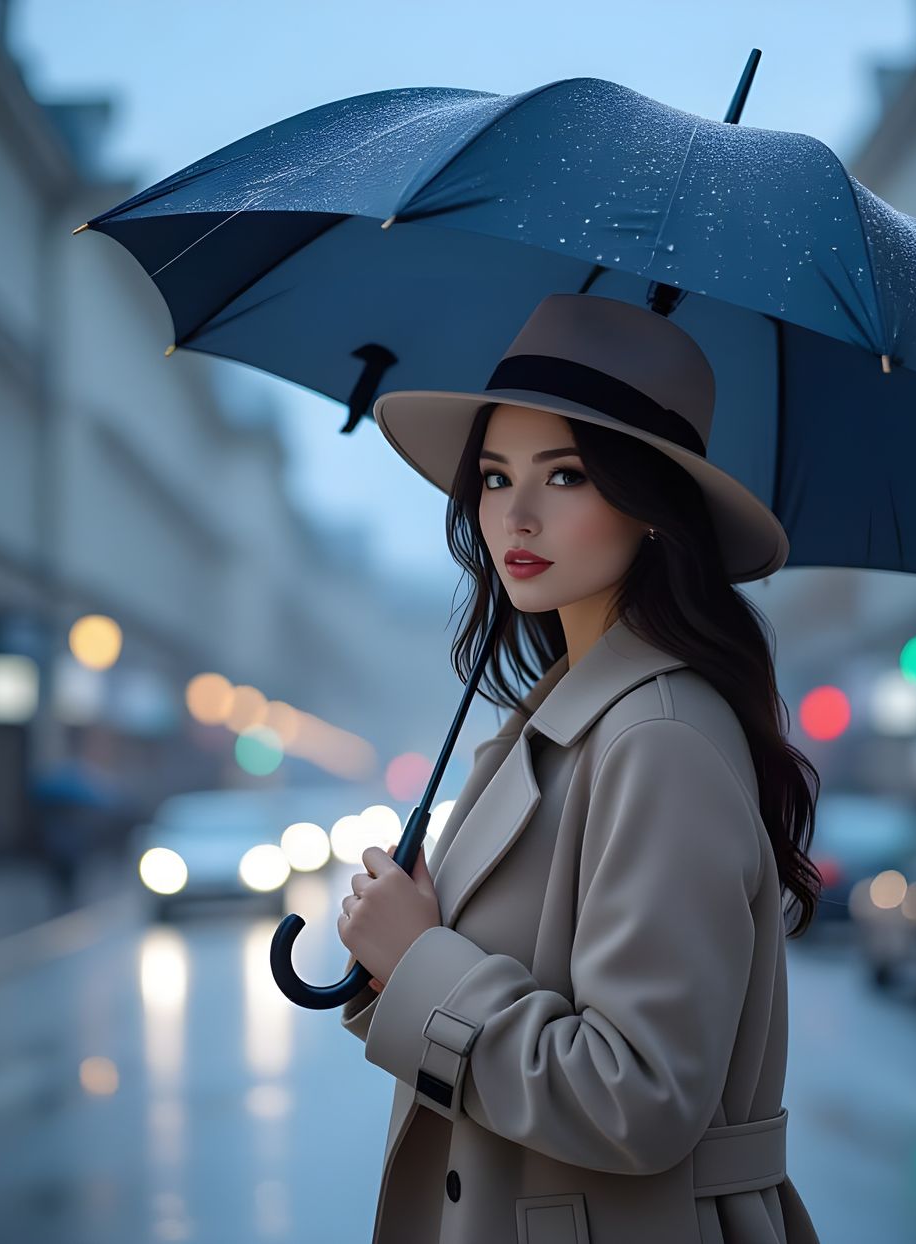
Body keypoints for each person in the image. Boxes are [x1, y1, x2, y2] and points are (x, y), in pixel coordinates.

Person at [335, 294, 822, 1243]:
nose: (514, 516)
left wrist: (420, 960)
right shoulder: (561, 721)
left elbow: (638, 1097)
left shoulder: (660, 739)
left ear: (651, 508)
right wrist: (402, 961)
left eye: (565, 475)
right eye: (494, 477)